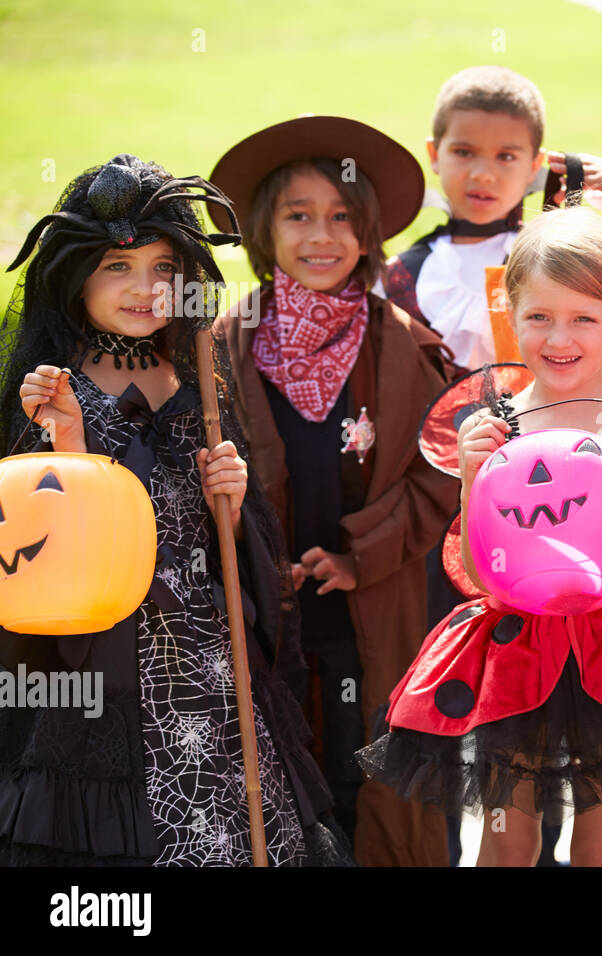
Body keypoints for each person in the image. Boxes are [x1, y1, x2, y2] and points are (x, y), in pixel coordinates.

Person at [358, 207, 602, 866]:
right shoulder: (497, 426)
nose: (559, 336)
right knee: (504, 841)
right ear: (508, 313)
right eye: (539, 316)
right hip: (517, 654)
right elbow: (485, 575)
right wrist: (469, 477)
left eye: (583, 318)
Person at [0, 155, 345, 866]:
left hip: (210, 651)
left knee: (241, 820)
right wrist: (65, 439)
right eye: (118, 267)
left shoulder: (196, 371)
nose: (145, 289)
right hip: (105, 659)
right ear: (75, 275)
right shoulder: (53, 386)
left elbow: (233, 540)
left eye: (164, 269)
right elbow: (38, 541)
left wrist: (233, 496)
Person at [209, 116, 459, 866]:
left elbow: (440, 473)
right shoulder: (225, 343)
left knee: (371, 776)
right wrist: (254, 556)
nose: (322, 235)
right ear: (264, 229)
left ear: (368, 231)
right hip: (265, 615)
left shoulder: (403, 345)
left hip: (370, 608)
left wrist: (359, 556)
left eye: (342, 217)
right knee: (283, 782)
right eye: (298, 215)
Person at [385, 64, 602, 374]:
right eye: (464, 152)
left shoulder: (558, 254)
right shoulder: (400, 275)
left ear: (535, 164)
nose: (483, 174)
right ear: (435, 154)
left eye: (505, 157)